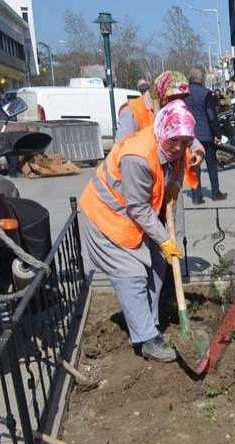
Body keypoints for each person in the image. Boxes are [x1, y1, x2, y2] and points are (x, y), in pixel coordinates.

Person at [77, 101, 199, 362]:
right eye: (175, 141)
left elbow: (178, 166)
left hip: (132, 215)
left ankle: (147, 321)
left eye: (185, 142)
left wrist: (175, 184)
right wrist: (165, 240)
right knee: (130, 273)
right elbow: (138, 207)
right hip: (106, 216)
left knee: (157, 263)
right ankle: (147, 339)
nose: (179, 147)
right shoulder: (138, 156)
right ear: (163, 132)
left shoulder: (175, 146)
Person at [187, 68, 227, 203]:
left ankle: (197, 197)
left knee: (195, 166)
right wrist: (217, 134)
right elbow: (211, 116)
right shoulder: (207, 94)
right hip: (206, 136)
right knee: (211, 165)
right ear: (201, 79)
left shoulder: (184, 94)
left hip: (191, 137)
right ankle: (215, 193)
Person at [116, 72, 190, 141]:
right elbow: (121, 145)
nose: (177, 102)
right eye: (173, 97)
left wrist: (195, 147)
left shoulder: (172, 111)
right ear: (159, 93)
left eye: (182, 98)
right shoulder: (132, 110)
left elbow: (186, 134)